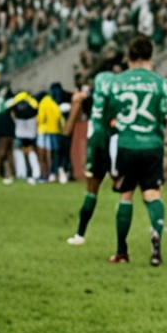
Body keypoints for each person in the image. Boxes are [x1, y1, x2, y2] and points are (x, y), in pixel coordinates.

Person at [102, 36, 167, 266]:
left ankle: (122, 251)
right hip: (152, 145)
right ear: (151, 57)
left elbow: (106, 116)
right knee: (152, 194)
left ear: (129, 57)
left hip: (126, 144)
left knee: (126, 194)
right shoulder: (162, 84)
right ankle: (156, 237)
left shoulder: (117, 82)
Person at [66, 71, 117, 246]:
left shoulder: (93, 95)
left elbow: (79, 101)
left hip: (96, 143)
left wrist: (68, 127)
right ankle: (121, 247)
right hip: (117, 141)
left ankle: (80, 234)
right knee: (127, 191)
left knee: (91, 190)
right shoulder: (118, 94)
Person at [7, 90, 40, 183]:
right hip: (31, 132)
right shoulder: (32, 102)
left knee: (18, 152)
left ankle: (21, 174)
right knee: (31, 152)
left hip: (19, 132)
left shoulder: (17, 102)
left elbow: (10, 110)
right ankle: (35, 174)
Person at [37, 87, 66, 184]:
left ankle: (47, 174)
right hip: (56, 130)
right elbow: (59, 117)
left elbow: (41, 117)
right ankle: (53, 173)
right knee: (54, 152)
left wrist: (39, 124)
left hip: (45, 130)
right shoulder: (54, 104)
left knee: (45, 153)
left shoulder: (43, 103)